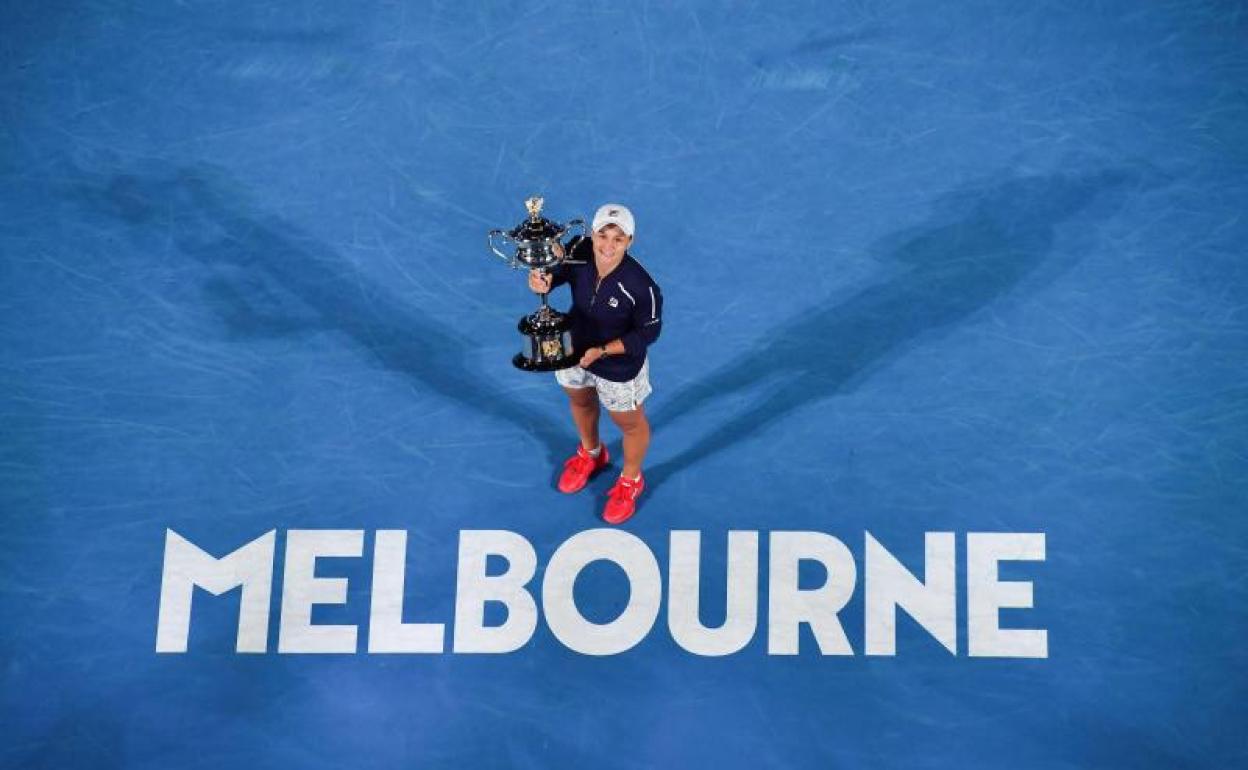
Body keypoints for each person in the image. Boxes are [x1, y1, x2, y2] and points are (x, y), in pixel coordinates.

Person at [528, 203, 663, 524]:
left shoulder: (643, 287)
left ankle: (631, 480)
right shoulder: (579, 250)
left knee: (629, 423)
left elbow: (648, 333)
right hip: (573, 348)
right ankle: (592, 453)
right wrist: (542, 281)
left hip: (619, 366)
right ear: (592, 234)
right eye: (603, 235)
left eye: (618, 239)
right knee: (580, 400)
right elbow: (557, 273)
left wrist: (603, 351)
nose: (608, 245)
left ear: (630, 241)